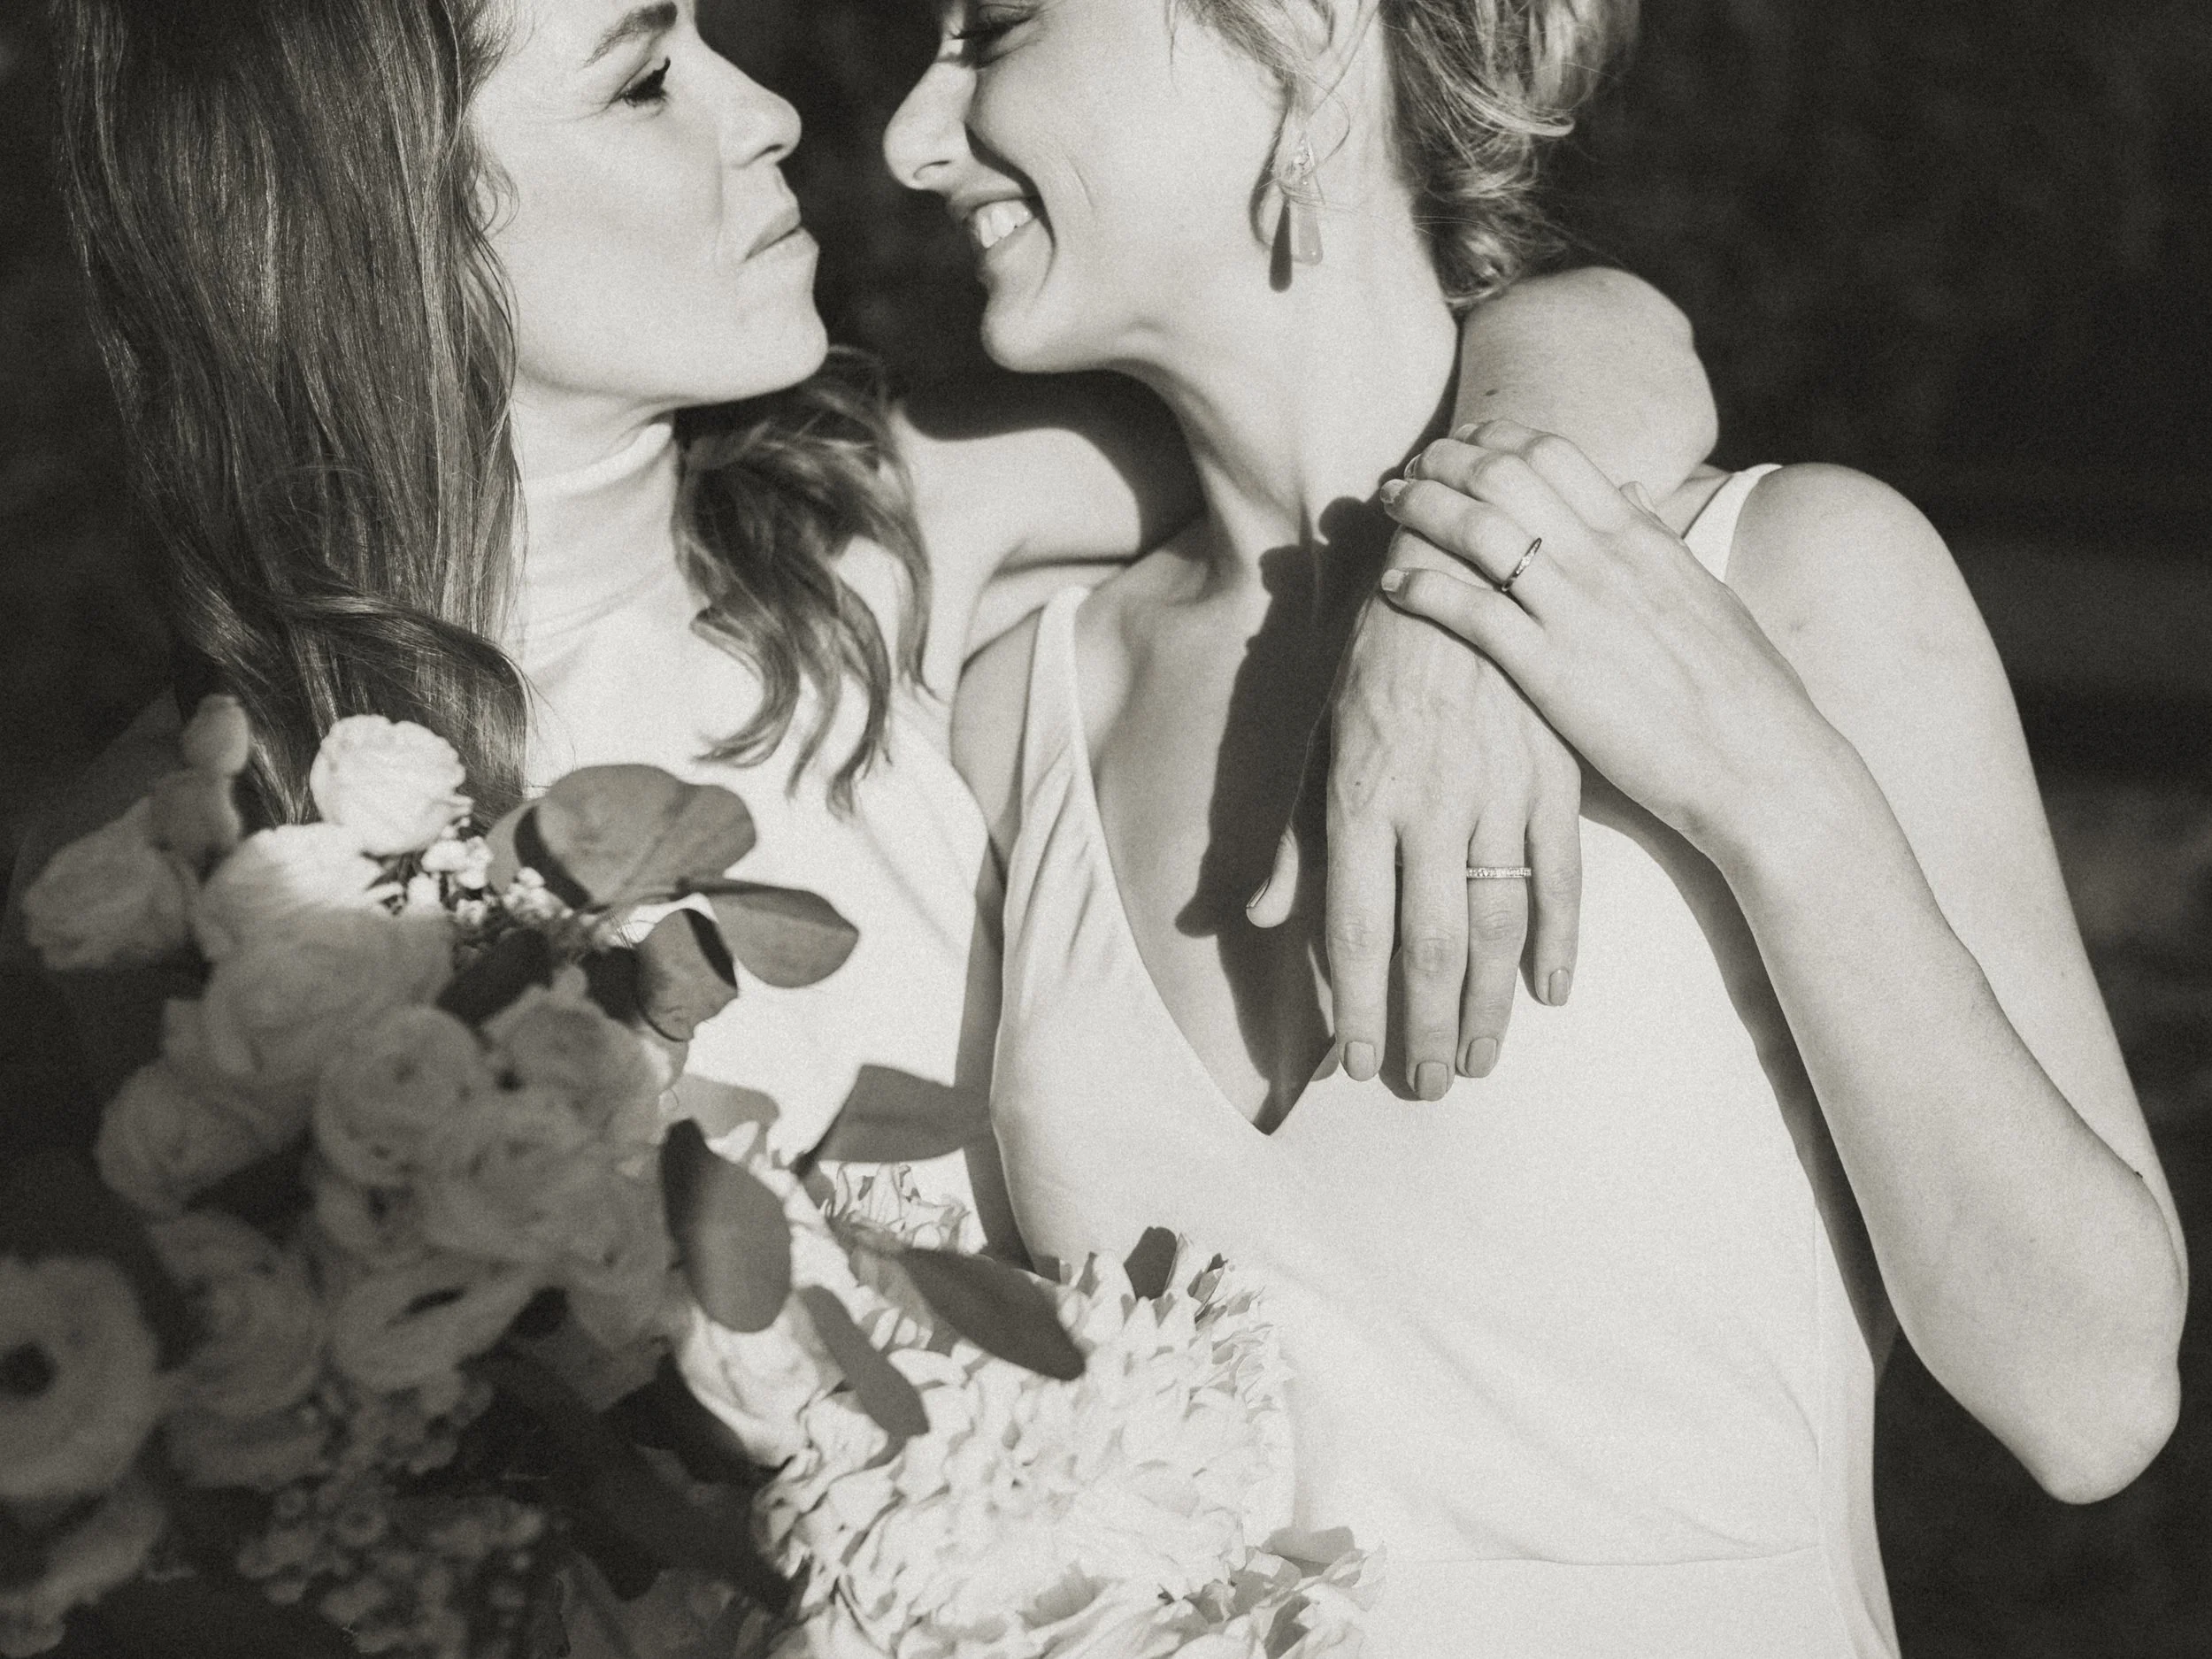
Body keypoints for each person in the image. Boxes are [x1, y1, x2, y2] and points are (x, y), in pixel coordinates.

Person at [906, 0, 2186, 1653]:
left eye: (996, 28)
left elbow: (2089, 1403)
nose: (910, 140)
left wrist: (1761, 784)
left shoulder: (1783, 577)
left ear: (1295, 42)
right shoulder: (1023, 714)